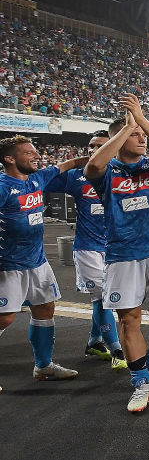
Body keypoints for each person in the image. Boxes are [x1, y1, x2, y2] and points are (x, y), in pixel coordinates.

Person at [84, 94, 149, 413]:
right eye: (136, 135)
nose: (143, 138)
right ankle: (141, 382)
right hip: (122, 256)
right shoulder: (106, 172)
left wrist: (140, 120)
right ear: (118, 139)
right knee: (129, 319)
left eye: (144, 134)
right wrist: (124, 127)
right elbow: (93, 165)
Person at [0, 135, 88, 392]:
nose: (37, 156)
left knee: (45, 308)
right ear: (10, 159)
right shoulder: (3, 186)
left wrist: (104, 158)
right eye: (29, 153)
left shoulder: (38, 178)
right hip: (8, 265)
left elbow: (70, 163)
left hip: (37, 262)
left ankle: (43, 366)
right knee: (4, 319)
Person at [44, 130, 128, 369]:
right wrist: (70, 163)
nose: (93, 151)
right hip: (88, 248)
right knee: (103, 298)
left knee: (104, 298)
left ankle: (94, 340)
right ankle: (117, 350)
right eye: (91, 146)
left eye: (100, 146)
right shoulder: (77, 176)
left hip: (117, 247)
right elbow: (38, 180)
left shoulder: (124, 173)